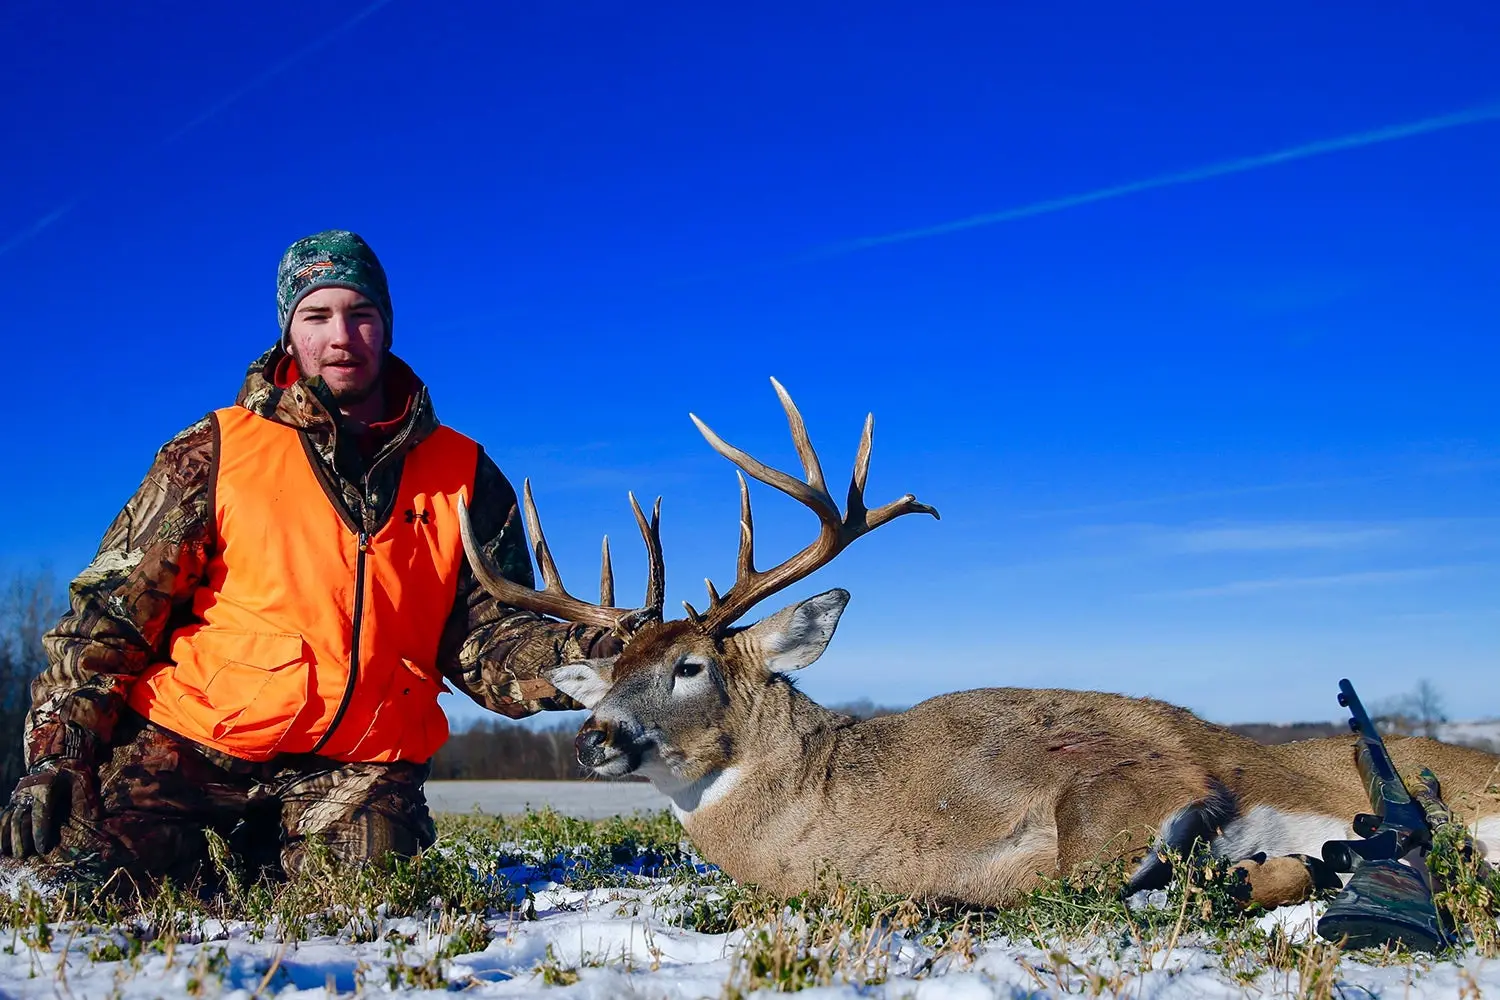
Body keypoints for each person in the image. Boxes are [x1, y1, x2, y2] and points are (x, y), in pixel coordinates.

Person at [0, 230, 619, 885]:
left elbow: (488, 638)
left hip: (355, 767)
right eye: (317, 316)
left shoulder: (464, 474)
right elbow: (107, 620)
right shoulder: (213, 452)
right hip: (188, 749)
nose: (341, 336)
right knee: (76, 876)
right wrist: (55, 755)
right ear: (289, 334)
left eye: (361, 315)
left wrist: (599, 660)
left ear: (386, 326)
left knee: (369, 898)